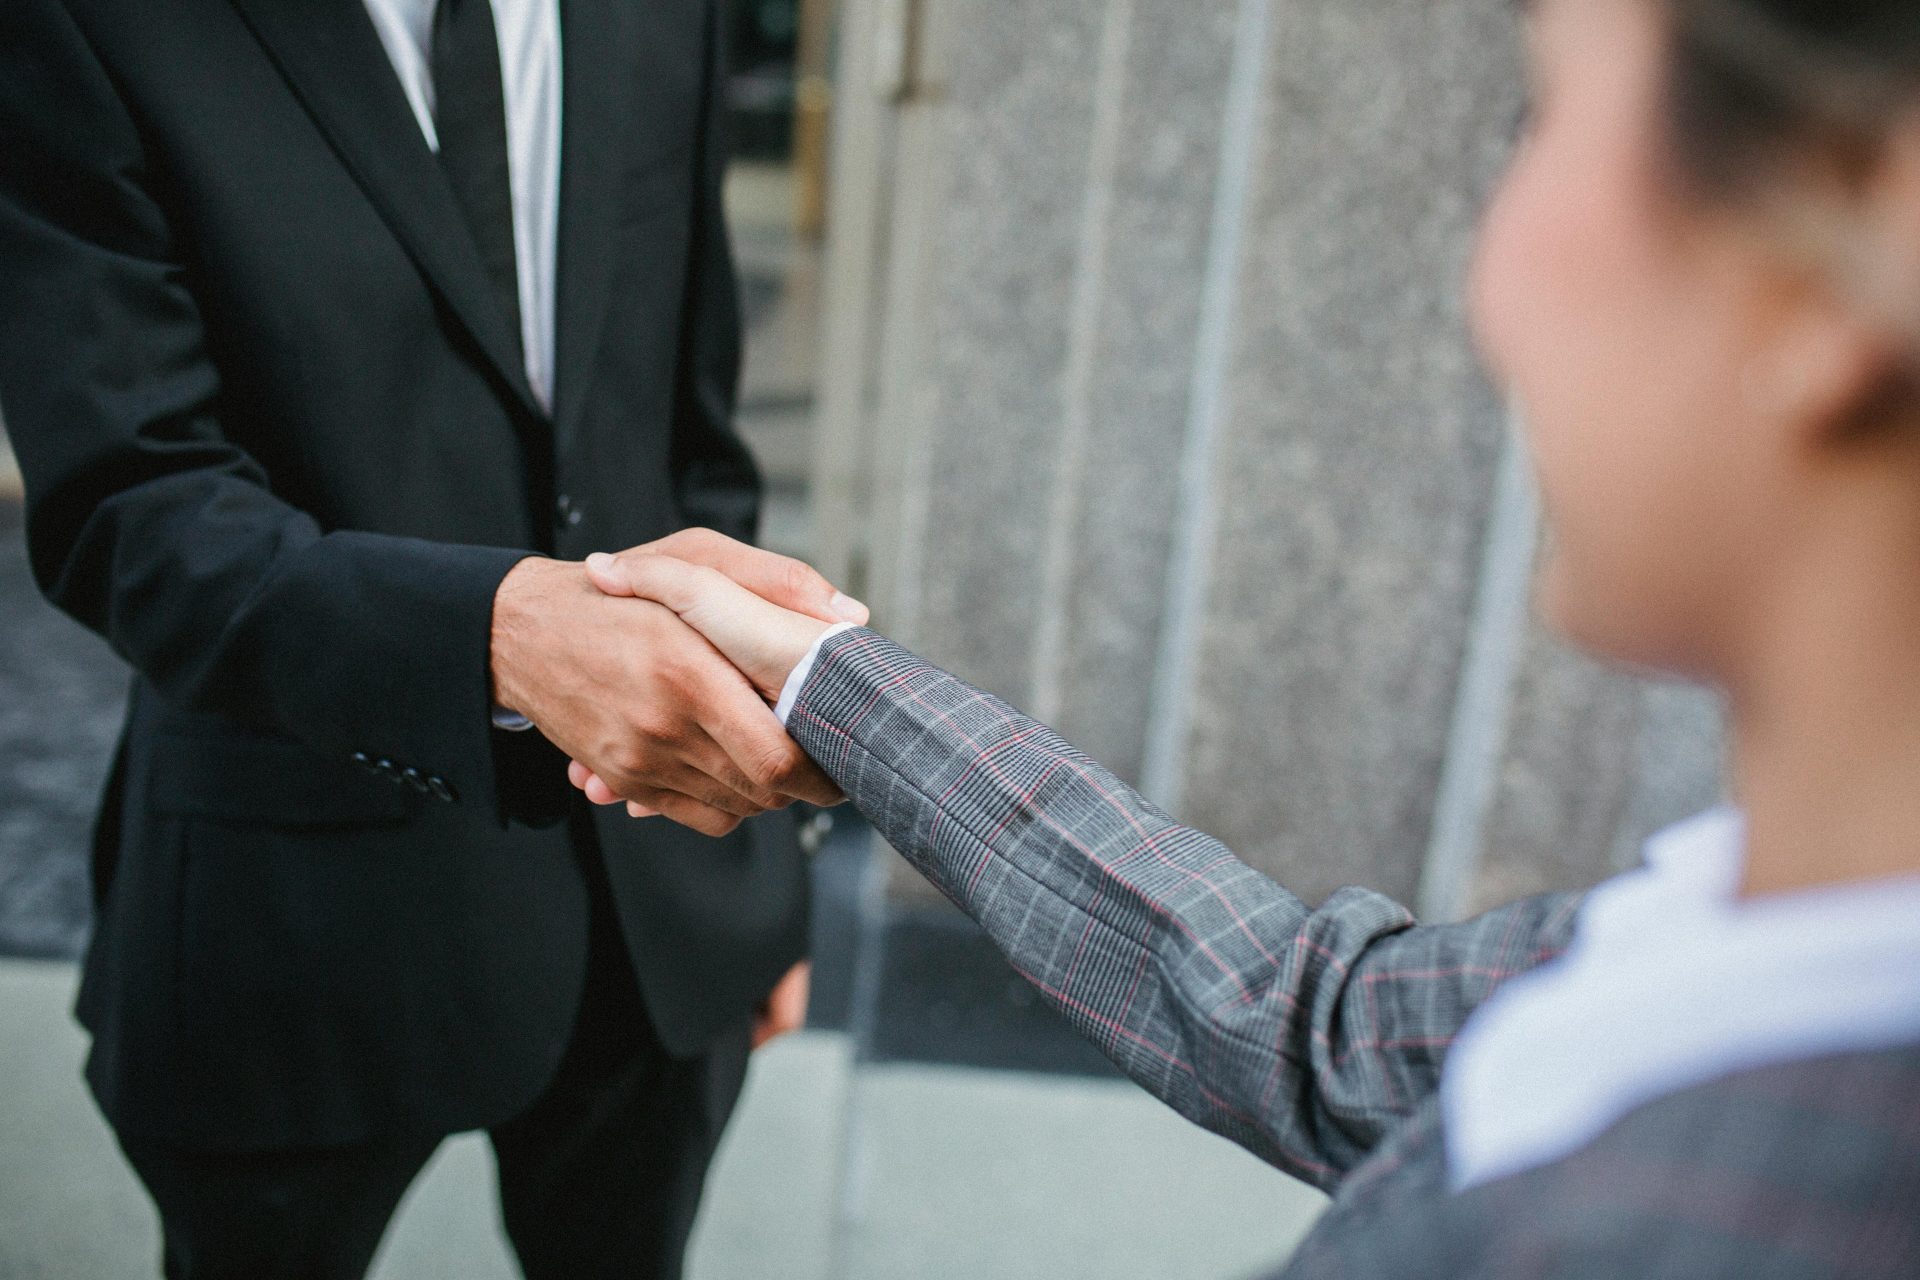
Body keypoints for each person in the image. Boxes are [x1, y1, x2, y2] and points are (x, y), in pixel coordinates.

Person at [570, 0, 1920, 1273]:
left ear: (1851, 230)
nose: (1487, 279)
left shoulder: (1728, 1225)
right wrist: (830, 681)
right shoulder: (1765, 933)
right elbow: (1310, 1023)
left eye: (1544, 115)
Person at [0, 1, 865, 1276]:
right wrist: (496, 635)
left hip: (651, 911)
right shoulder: (89, 22)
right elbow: (130, 508)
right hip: (295, 907)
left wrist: (760, 869)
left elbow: (691, 446)